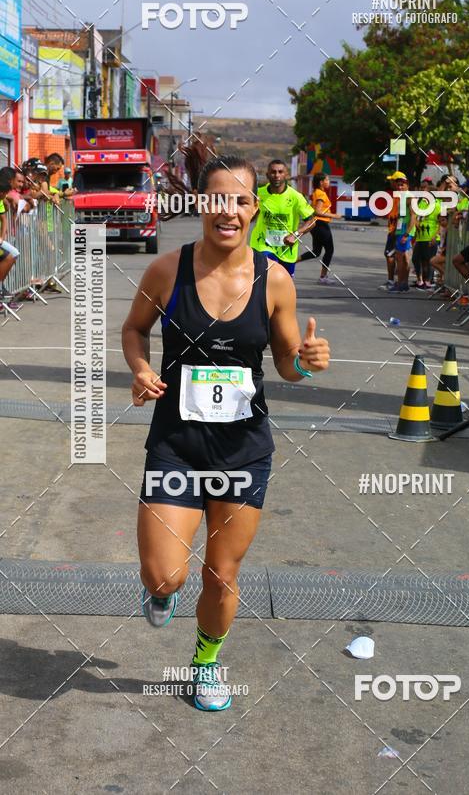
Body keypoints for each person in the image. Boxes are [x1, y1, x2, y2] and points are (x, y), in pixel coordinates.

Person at [122, 154, 330, 712]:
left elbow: (287, 363)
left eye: (240, 200)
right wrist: (142, 370)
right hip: (177, 445)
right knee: (166, 576)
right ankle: (161, 590)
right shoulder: (167, 271)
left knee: (222, 572)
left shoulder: (275, 279)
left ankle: (205, 665)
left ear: (254, 210)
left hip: (242, 450)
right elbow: (135, 330)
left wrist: (307, 361)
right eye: (217, 198)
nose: (228, 211)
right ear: (200, 205)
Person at [250, 159, 316, 276]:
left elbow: (311, 221)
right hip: (263, 245)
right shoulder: (258, 194)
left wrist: (295, 235)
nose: (277, 175)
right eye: (273, 172)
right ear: (267, 175)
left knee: (285, 286)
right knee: (268, 275)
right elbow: (249, 218)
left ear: (286, 175)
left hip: (287, 249)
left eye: (280, 172)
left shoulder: (296, 197)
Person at [298, 172, 342, 284]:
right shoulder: (321, 194)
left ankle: (290, 262)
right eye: (327, 180)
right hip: (321, 225)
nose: (329, 182)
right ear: (321, 182)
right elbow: (317, 211)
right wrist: (335, 215)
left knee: (316, 252)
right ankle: (323, 277)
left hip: (317, 225)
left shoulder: (317, 192)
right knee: (329, 250)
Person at [389, 174, 417, 293]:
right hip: (401, 230)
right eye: (398, 185)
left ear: (407, 185)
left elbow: (413, 217)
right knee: (404, 258)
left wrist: (406, 234)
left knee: (400, 258)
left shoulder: (410, 197)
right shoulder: (402, 197)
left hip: (406, 231)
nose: (400, 187)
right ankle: (403, 284)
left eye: (402, 185)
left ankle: (400, 284)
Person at [381, 171, 406, 291]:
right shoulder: (396, 195)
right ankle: (399, 283)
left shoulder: (402, 196)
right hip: (394, 230)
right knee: (395, 256)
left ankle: (393, 282)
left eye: (393, 180)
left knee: (391, 255)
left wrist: (395, 230)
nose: (391, 183)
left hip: (396, 231)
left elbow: (401, 216)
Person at [0, 166, 20, 307]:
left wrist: (2, 236)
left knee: (14, 253)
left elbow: (4, 219)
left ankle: (1, 287)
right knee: (9, 256)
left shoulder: (2, 199)